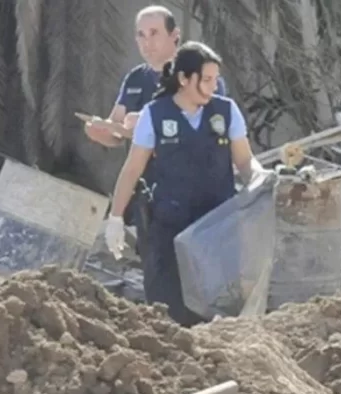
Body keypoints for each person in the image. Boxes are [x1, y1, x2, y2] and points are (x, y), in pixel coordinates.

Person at [104, 41, 267, 327]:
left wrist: (260, 178)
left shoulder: (226, 112)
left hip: (217, 227)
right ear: (184, 79)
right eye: (206, 79)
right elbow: (132, 169)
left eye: (215, 79)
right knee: (169, 311)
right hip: (170, 227)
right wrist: (115, 217)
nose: (213, 86)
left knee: (217, 311)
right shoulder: (154, 114)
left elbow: (244, 161)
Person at [84, 5, 226, 256]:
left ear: (175, 35)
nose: (146, 42)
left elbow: (206, 131)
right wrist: (102, 132)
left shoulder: (201, 75)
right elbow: (118, 129)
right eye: (140, 35)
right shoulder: (135, 79)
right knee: (158, 273)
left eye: (154, 33)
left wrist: (150, 124)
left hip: (199, 194)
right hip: (152, 196)